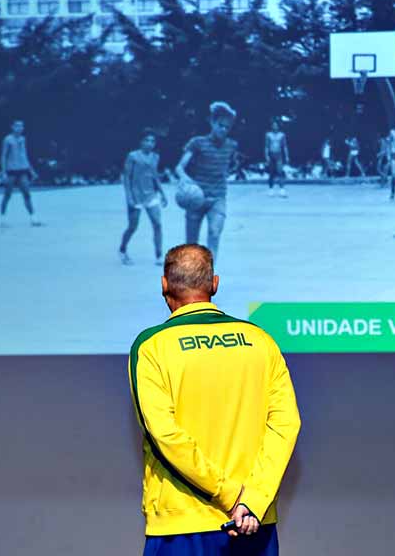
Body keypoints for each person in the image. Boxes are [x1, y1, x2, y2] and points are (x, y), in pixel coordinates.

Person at [129, 244, 301, 556]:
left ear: (164, 284)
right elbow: (286, 424)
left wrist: (230, 495)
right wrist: (251, 500)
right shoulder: (261, 341)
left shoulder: (151, 346)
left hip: (182, 524)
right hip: (252, 521)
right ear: (214, 284)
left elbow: (164, 435)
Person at [176, 102, 239, 264]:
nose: (223, 130)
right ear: (212, 122)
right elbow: (180, 167)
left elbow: (232, 165)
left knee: (214, 233)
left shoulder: (231, 145)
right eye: (220, 125)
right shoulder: (197, 143)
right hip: (197, 196)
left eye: (227, 127)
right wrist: (184, 178)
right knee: (191, 244)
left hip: (217, 198)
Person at [120, 129, 168, 266]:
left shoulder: (155, 157)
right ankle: (122, 250)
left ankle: (159, 255)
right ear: (141, 142)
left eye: (152, 141)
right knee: (133, 226)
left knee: (157, 224)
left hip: (151, 195)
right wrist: (129, 197)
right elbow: (127, 178)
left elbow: (155, 176)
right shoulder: (133, 156)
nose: (150, 143)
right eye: (147, 140)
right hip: (135, 195)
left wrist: (162, 193)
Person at [0, 119, 43, 227]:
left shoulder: (23, 139)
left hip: (22, 170)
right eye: (17, 126)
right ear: (12, 127)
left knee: (27, 193)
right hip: (11, 170)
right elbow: (3, 156)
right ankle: (2, 219)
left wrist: (31, 171)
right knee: (7, 195)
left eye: (21, 126)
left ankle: (33, 218)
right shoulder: (8, 139)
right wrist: (3, 172)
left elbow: (24, 155)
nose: (20, 128)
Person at [264, 120, 289, 198]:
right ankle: (271, 189)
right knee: (271, 173)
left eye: (276, 125)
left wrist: (287, 156)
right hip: (271, 154)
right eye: (273, 125)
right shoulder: (268, 135)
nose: (275, 127)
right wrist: (266, 156)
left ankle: (282, 190)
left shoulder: (282, 135)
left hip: (279, 154)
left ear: (278, 126)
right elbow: (266, 146)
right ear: (271, 126)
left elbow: (284, 146)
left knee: (280, 171)